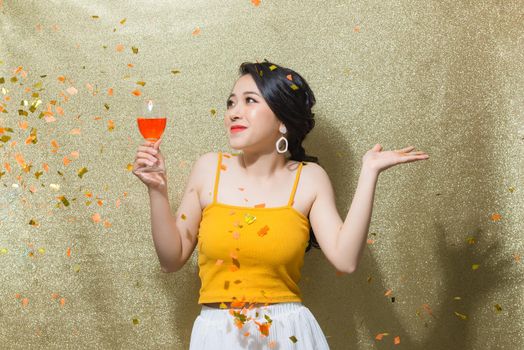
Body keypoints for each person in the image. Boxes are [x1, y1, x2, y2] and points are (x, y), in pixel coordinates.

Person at [132, 60, 429, 349]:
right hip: (217, 334)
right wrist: (157, 190)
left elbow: (345, 259)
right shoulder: (208, 169)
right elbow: (171, 260)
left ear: (282, 120)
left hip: (287, 333)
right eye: (231, 103)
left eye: (250, 101)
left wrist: (369, 172)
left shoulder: (309, 179)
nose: (234, 112)